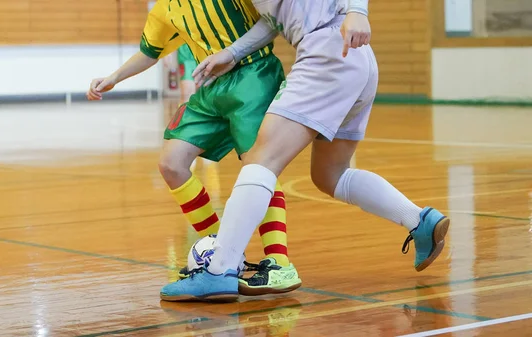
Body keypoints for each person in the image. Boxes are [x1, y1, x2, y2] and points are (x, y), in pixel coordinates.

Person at [160, 0, 451, 302]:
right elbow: (274, 20)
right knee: (329, 175)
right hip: (353, 59)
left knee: (262, 159)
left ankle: (218, 270)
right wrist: (233, 53)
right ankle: (420, 221)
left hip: (326, 52)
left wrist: (357, 11)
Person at [86, 0, 302, 295]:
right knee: (171, 164)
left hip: (253, 73)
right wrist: (113, 78)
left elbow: (270, 19)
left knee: (258, 168)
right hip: (213, 87)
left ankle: (279, 262)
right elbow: (149, 52)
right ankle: (219, 254)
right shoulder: (163, 9)